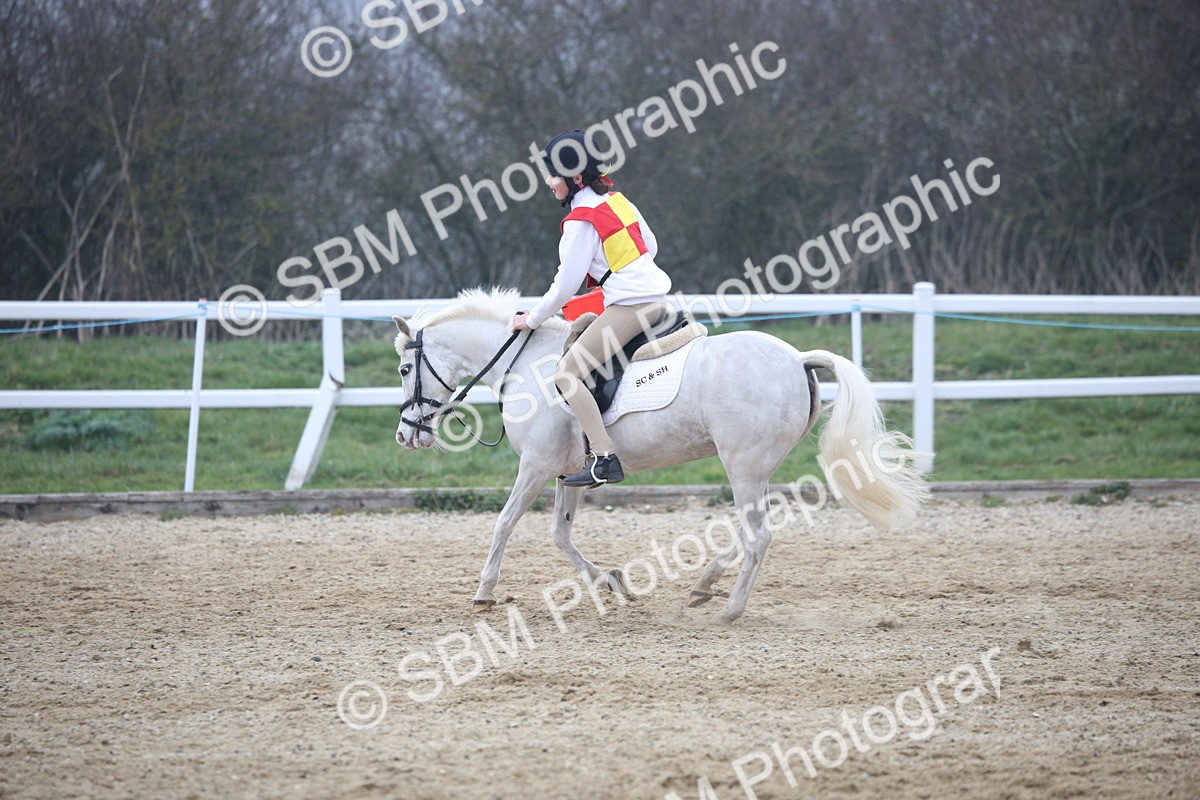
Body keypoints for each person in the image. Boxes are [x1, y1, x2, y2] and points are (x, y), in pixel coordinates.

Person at [510, 130, 673, 487]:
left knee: (566, 373)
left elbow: (564, 286)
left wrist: (532, 319)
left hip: (632, 306)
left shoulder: (580, 221)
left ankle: (604, 457)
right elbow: (650, 246)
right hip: (657, 299)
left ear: (574, 177)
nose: (548, 183)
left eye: (552, 176)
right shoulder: (617, 201)